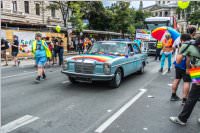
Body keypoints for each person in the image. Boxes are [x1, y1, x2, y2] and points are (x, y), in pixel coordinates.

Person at [170, 35, 200, 126]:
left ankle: (182, 119)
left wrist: (180, 50)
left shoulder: (186, 45)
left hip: (197, 70)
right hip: (196, 69)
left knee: (192, 96)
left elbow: (178, 60)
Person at [170, 34, 192, 105]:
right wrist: (188, 68)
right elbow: (188, 58)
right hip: (186, 65)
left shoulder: (180, 45)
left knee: (177, 79)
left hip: (178, 64)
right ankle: (185, 99)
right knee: (187, 82)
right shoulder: (189, 45)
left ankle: (173, 95)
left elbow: (173, 48)